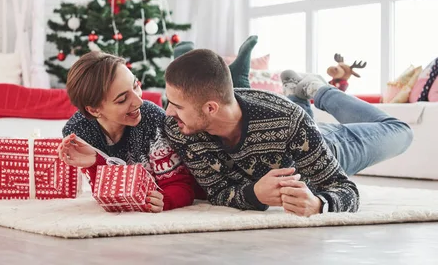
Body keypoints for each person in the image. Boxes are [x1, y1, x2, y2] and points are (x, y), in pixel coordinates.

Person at [162, 49, 413, 217]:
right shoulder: (181, 129)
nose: (169, 112)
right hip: (295, 136)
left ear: (210, 108)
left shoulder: (286, 119)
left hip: (331, 146)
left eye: (177, 105)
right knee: (298, 122)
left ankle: (320, 91)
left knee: (401, 132)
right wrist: (254, 194)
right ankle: (297, 94)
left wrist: (318, 204)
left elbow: (345, 190)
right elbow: (217, 192)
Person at [56, 51, 196, 212]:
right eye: (122, 99)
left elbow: (183, 186)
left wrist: (166, 199)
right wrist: (95, 163)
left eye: (136, 85)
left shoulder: (153, 119)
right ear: (94, 110)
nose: (139, 100)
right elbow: (106, 193)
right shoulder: (79, 131)